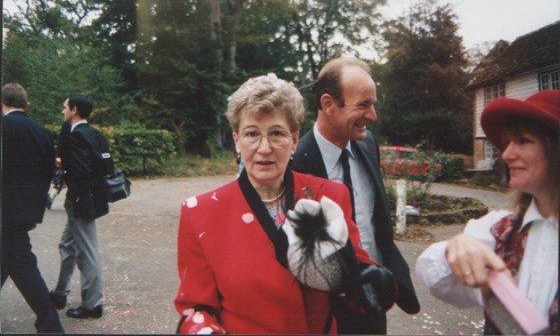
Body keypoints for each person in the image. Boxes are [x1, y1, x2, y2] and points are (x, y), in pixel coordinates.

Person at [174, 74, 396, 334]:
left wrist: (370, 281)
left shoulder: (330, 195)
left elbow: (356, 267)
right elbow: (196, 305)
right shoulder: (200, 214)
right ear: (236, 140)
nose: (264, 147)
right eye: (252, 134)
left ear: (293, 139)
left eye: (276, 133)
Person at [292, 56, 420, 333]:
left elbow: (377, 225)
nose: (373, 116)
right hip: (324, 315)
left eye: (372, 104)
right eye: (363, 105)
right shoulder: (295, 162)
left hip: (373, 305)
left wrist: (390, 283)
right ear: (328, 104)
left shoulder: (367, 143)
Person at [416, 90, 559, 335]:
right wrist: (456, 249)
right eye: (507, 143)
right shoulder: (502, 229)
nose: (506, 154)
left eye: (523, 141)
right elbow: (431, 274)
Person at [1, 83, 65, 333]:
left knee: (22, 265)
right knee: (9, 259)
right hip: (24, 211)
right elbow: (48, 173)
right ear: (26, 105)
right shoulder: (41, 132)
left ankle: (50, 323)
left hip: (3, 212)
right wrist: (35, 210)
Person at [50, 94, 106, 319]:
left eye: (65, 107)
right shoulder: (95, 134)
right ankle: (60, 292)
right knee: (67, 244)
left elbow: (81, 171)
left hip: (80, 201)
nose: (63, 110)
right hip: (91, 198)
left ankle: (93, 304)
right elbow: (104, 165)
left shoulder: (75, 137)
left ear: (74, 110)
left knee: (87, 251)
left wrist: (76, 195)